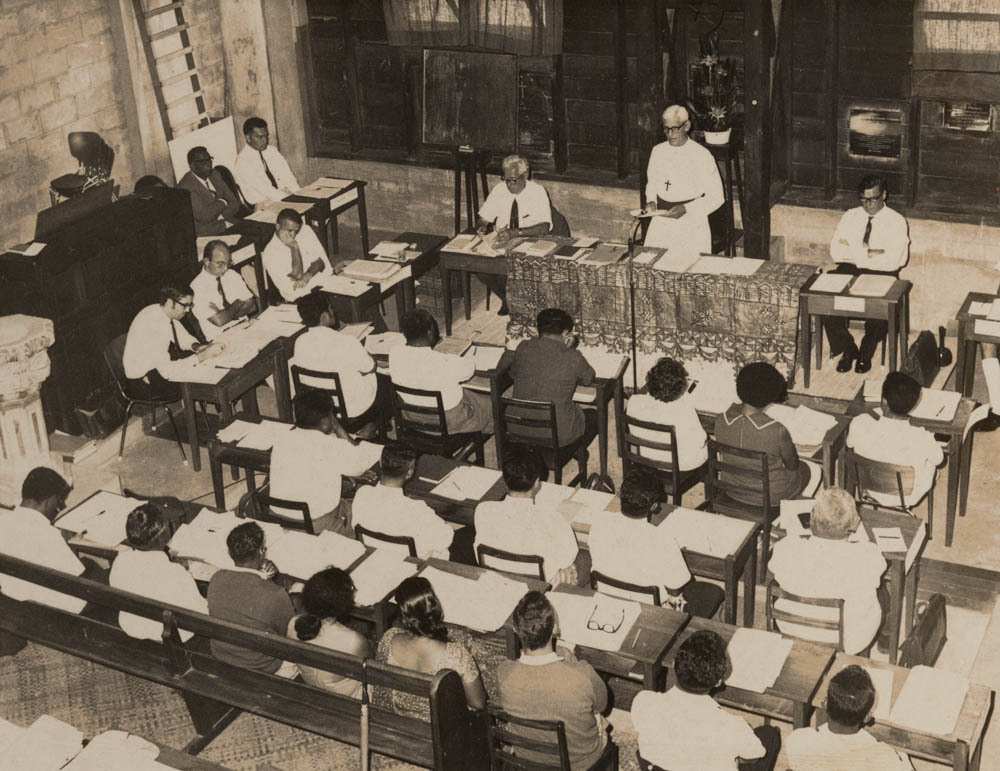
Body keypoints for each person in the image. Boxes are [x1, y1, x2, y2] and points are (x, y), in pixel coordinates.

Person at [631, 630, 780, 770]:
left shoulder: (644, 702)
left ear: (674, 665)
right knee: (770, 735)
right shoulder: (732, 726)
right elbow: (754, 756)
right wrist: (736, 758)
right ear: (718, 682)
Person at [497, 591, 610, 769]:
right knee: (598, 716)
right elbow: (602, 705)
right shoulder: (582, 676)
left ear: (516, 630)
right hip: (580, 763)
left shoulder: (504, 673)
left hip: (528, 759)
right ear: (555, 628)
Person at [769, 487, 888, 655]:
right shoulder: (867, 555)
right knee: (882, 594)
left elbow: (774, 565)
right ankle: (884, 639)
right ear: (854, 523)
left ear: (811, 520)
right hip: (847, 641)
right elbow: (878, 568)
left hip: (792, 628)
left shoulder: (787, 549)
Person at [589, 470, 723, 616]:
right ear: (654, 507)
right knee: (712, 591)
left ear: (620, 495)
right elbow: (676, 588)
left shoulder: (598, 525)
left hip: (609, 599)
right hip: (651, 611)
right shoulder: (662, 538)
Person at [823, 174, 910, 374]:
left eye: (872, 199)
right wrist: (871, 253)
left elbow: (895, 260)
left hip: (883, 273)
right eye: (863, 199)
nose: (867, 205)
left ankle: (865, 352)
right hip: (849, 269)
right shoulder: (850, 216)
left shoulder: (896, 221)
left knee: (879, 305)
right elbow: (836, 251)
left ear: (884, 195)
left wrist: (855, 252)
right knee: (825, 298)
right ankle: (848, 348)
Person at [374, 576, 486, 720]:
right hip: (444, 731)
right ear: (436, 608)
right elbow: (478, 703)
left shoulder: (389, 639)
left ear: (403, 615)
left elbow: (381, 684)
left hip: (402, 721)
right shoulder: (456, 654)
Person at [268, 390, 379, 535]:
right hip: (318, 525)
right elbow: (361, 463)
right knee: (368, 504)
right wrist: (338, 427)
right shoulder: (331, 445)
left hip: (277, 518)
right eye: (331, 415)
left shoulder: (282, 438)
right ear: (326, 421)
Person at [714, 362, 821, 504]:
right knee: (813, 469)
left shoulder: (720, 420)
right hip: (770, 496)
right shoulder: (777, 430)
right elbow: (793, 465)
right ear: (770, 396)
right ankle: (791, 507)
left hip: (732, 489)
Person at [474, 449, 583, 586]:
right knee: (582, 558)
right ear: (537, 482)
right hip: (539, 587)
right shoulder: (553, 519)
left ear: (504, 479)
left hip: (497, 581)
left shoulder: (483, 510)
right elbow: (569, 556)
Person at [206, 521, 298, 677]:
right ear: (262, 552)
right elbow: (288, 633)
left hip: (222, 655)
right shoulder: (275, 594)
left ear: (230, 554)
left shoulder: (216, 579)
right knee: (298, 590)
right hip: (262, 666)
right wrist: (275, 580)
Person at [782, 665, 912, 769]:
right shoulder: (884, 756)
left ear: (825, 704)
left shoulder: (798, 741)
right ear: (867, 717)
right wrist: (903, 755)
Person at [110, 504, 208, 642]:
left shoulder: (120, 561)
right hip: (173, 637)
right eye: (167, 524)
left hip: (132, 627)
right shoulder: (175, 573)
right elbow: (202, 614)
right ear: (162, 538)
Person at [846, 371, 943, 507]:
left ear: (884, 402)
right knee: (931, 465)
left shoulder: (860, 422)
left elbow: (849, 443)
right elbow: (939, 459)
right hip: (907, 496)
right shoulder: (921, 436)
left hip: (869, 489)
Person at [388, 309, 494, 435]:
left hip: (412, 416)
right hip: (448, 420)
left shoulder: (394, 354)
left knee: (468, 396)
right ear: (430, 333)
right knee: (491, 404)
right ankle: (480, 435)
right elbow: (469, 369)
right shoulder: (440, 361)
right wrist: (449, 357)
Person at [0, 468, 87, 614]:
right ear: (50, 500)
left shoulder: (3, 521)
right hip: (60, 614)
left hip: (14, 605)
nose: (61, 507)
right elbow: (79, 584)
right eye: (60, 501)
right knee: (98, 570)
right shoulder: (48, 535)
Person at [351, 442, 458, 561]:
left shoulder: (362, 494)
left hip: (376, 559)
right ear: (410, 472)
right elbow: (446, 538)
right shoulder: (418, 510)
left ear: (380, 463)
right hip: (413, 567)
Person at [508, 308, 597, 449]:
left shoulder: (523, 347)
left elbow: (513, 374)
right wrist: (571, 349)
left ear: (538, 330)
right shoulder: (573, 356)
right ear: (565, 333)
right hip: (557, 436)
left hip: (518, 428)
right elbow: (589, 378)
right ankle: (573, 450)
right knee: (594, 416)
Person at [475, 154, 553, 315]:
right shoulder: (499, 190)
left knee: (508, 267)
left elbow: (544, 227)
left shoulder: (537, 192)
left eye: (513, 180)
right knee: (481, 268)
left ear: (525, 175)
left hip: (529, 240)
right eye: (505, 179)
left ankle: (516, 300)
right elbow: (483, 218)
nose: (509, 184)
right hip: (502, 241)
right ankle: (507, 299)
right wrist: (482, 226)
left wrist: (516, 232)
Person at [643, 104, 725, 254]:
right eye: (666, 129)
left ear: (686, 126)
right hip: (661, 221)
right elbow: (652, 183)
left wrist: (687, 209)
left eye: (675, 128)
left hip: (691, 222)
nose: (670, 134)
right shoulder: (658, 151)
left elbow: (717, 197)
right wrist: (651, 201)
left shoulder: (702, 155)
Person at [291, 292, 379, 426]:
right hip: (350, 408)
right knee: (382, 379)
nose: (334, 311)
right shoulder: (347, 341)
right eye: (331, 308)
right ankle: (373, 425)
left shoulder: (299, 342)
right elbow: (370, 367)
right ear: (324, 317)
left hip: (319, 408)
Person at [122, 284, 220, 400]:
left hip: (155, 370)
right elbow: (168, 372)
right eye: (185, 305)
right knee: (206, 377)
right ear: (169, 303)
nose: (188, 310)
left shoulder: (160, 311)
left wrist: (197, 347)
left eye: (190, 305)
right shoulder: (153, 325)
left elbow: (182, 337)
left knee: (205, 367)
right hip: (143, 383)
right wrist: (201, 356)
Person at [288, 567, 369, 698]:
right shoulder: (353, 640)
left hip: (312, 684)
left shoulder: (293, 623)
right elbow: (370, 669)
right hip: (348, 697)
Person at [625, 356, 708, 471]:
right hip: (680, 466)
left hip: (647, 459)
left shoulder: (634, 402)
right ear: (680, 388)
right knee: (708, 447)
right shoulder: (683, 409)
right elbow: (700, 440)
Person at [190, 241, 257, 341]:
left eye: (228, 263)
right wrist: (240, 301)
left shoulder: (231, 274)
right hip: (221, 338)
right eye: (220, 264)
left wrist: (224, 313)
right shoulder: (197, 287)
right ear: (207, 261)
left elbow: (252, 306)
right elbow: (220, 321)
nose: (225, 268)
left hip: (245, 328)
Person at [261, 208, 332, 301]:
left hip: (323, 283)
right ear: (278, 226)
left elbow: (321, 263)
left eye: (296, 230)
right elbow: (297, 277)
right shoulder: (270, 253)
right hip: (301, 297)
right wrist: (294, 247)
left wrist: (308, 275)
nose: (293, 235)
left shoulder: (305, 231)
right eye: (289, 230)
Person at [233, 116, 299, 206]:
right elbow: (265, 189)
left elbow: (288, 176)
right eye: (259, 137)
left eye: (266, 136)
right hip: (263, 204)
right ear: (248, 138)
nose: (265, 140)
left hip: (283, 196)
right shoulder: (242, 162)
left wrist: (299, 194)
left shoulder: (272, 151)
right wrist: (290, 199)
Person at [177, 145, 242, 236]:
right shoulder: (186, 187)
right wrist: (223, 201)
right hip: (209, 233)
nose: (208, 164)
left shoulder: (215, 174)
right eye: (202, 161)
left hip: (229, 222)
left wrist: (220, 216)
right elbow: (205, 217)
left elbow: (235, 203)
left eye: (209, 159)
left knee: (261, 229)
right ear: (192, 166)